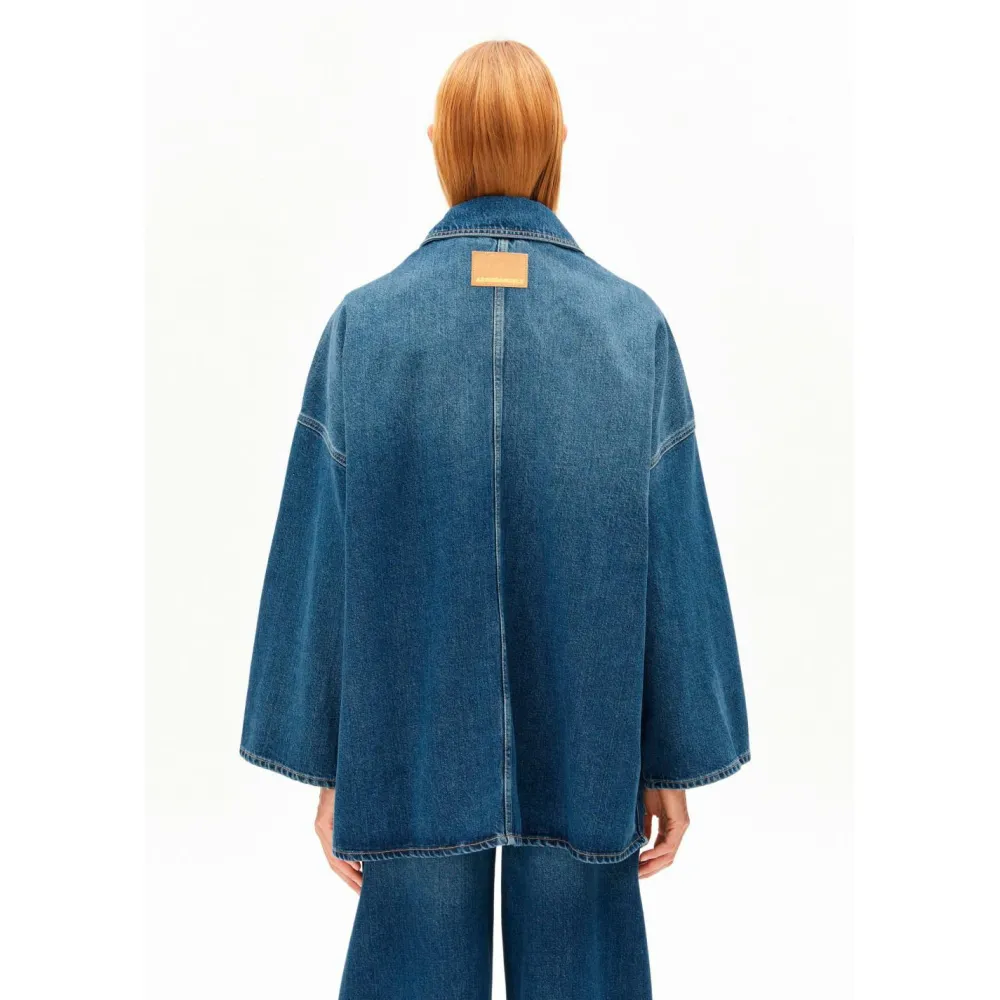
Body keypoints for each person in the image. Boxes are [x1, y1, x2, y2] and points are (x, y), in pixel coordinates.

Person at [240, 39, 749, 1000]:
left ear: (441, 144)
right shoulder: (632, 330)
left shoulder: (365, 327)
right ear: (557, 145)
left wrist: (336, 763)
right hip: (590, 735)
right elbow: (674, 558)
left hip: (409, 732)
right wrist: (668, 756)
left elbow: (321, 558)